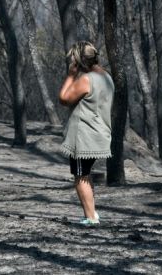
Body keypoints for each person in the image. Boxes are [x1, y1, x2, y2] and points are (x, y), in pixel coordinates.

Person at [58, 40, 114, 226]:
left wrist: (70, 76)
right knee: (85, 174)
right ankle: (92, 213)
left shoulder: (86, 80)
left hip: (84, 136)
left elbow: (64, 98)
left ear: (80, 61)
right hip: (100, 132)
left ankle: (90, 218)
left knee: (80, 176)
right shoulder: (106, 77)